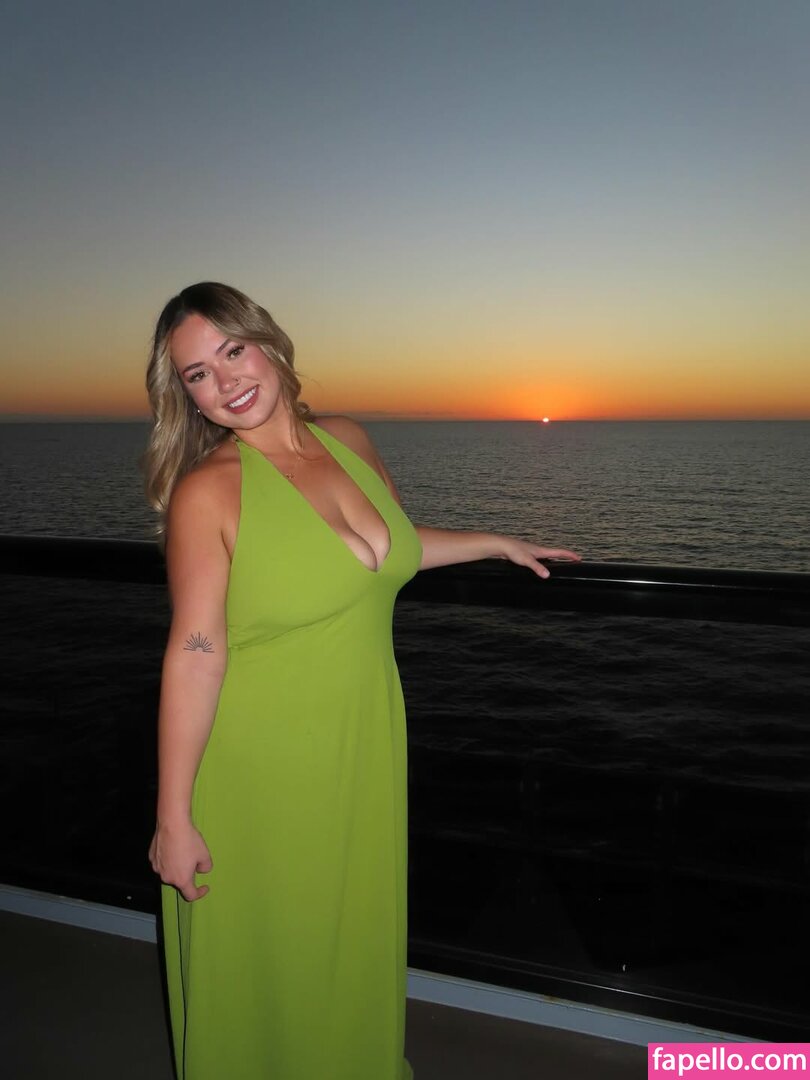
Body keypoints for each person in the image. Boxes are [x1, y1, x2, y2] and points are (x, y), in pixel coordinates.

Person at [142, 281, 580, 1080]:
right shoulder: (209, 491)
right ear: (188, 396)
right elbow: (196, 652)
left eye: (232, 351)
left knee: (347, 936)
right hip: (258, 768)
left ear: (268, 343)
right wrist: (173, 817)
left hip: (360, 743)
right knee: (269, 956)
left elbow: (386, 548)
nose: (225, 380)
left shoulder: (345, 438)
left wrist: (492, 541)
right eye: (199, 373)